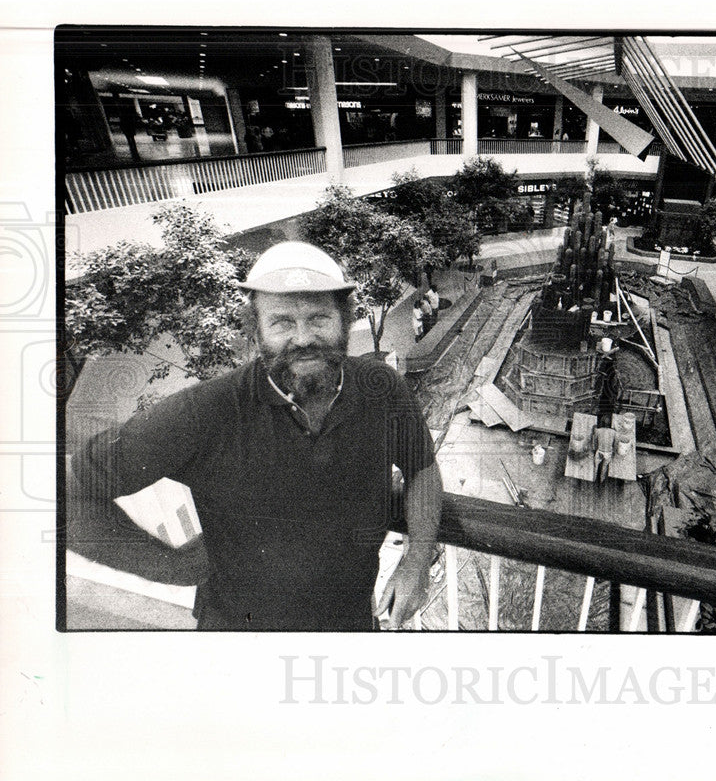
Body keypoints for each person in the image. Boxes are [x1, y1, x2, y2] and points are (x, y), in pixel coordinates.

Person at [69, 242, 442, 631]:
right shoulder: (205, 411)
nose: (302, 338)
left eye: (318, 319)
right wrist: (170, 565)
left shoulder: (380, 387)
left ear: (345, 321)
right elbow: (66, 496)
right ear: (256, 331)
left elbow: (422, 468)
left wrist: (416, 562)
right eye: (282, 322)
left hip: (349, 625)